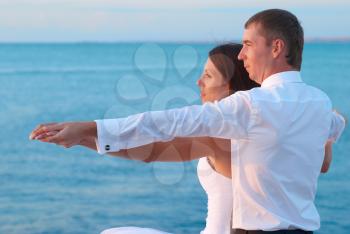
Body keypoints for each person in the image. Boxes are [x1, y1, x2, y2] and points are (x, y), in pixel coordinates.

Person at [30, 9, 346, 234]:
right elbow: (333, 134)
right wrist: (323, 134)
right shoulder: (319, 104)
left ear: (277, 47)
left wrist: (90, 130)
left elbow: (169, 125)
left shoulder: (248, 109)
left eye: (248, 45)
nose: (242, 54)